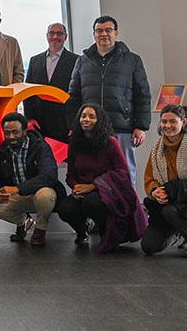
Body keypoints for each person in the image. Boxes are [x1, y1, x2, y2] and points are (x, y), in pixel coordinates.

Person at [67, 15, 152, 181]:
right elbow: (73, 96)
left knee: (125, 175)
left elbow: (143, 94)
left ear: (116, 33)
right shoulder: (83, 61)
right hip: (90, 129)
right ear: (94, 34)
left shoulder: (132, 60)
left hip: (122, 127)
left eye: (108, 30)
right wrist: (73, 124)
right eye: (99, 31)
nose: (103, 34)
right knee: (93, 175)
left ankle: (128, 207)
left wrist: (141, 126)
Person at [56, 103, 146, 253]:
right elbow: (71, 175)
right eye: (83, 116)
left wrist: (93, 186)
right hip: (83, 191)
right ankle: (82, 231)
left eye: (92, 116)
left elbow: (122, 172)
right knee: (64, 208)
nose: (86, 119)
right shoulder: (74, 143)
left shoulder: (110, 142)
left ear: (100, 120)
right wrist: (75, 187)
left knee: (92, 203)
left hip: (108, 191)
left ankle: (108, 234)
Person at [0, 113, 64, 247]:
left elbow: (49, 175)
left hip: (40, 194)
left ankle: (40, 230)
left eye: (15, 132)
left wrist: (18, 189)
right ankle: (24, 222)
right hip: (18, 197)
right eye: (7, 133)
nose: (11, 137)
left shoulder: (40, 146)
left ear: (25, 131)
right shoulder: (1, 151)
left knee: (45, 196)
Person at [142, 104, 187, 258]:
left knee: (171, 210)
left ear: (184, 122)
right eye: (164, 121)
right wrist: (155, 191)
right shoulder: (156, 150)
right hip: (165, 203)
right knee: (149, 246)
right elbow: (149, 178)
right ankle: (181, 232)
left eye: (173, 121)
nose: (168, 126)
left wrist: (169, 190)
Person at [24, 23, 78, 142]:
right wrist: (29, 118)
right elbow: (28, 92)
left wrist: (74, 123)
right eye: (51, 33)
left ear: (66, 37)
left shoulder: (76, 61)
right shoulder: (35, 61)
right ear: (47, 36)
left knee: (64, 159)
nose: (55, 37)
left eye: (59, 34)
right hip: (38, 124)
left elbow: (78, 94)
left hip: (64, 124)